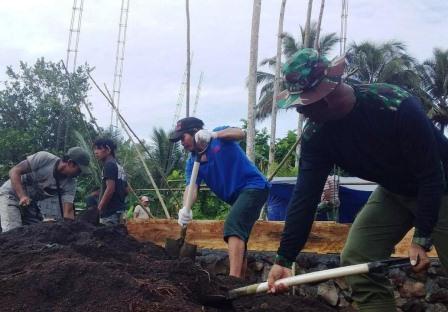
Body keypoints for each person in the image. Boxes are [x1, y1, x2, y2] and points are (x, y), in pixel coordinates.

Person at [266, 48, 448, 312]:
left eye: (303, 105)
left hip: (441, 188)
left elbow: (431, 174)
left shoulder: (395, 105)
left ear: (325, 98)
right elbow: (304, 197)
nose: (301, 113)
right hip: (393, 191)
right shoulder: (317, 136)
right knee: (358, 259)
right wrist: (284, 259)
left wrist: (421, 238)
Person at [170, 117, 270, 278]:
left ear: (195, 132)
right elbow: (191, 187)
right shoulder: (192, 162)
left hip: (254, 186)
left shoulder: (218, 138)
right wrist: (185, 208)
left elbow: (240, 133)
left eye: (183, 137)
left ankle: (233, 280)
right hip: (237, 198)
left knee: (232, 224)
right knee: (240, 236)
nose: (181, 142)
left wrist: (214, 135)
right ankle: (241, 282)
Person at [0, 147, 90, 232]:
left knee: (38, 232)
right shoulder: (45, 159)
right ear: (70, 163)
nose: (79, 174)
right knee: (13, 231)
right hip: (11, 194)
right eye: (79, 170)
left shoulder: (70, 184)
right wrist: (22, 196)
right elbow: (14, 171)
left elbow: (68, 212)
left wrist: (72, 230)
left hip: (30, 203)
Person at [93, 138, 128, 226]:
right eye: (95, 149)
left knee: (105, 238)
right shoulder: (119, 166)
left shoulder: (109, 165)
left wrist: (99, 208)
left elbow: (110, 188)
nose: (95, 152)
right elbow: (127, 190)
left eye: (99, 148)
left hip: (109, 213)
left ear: (108, 150)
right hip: (119, 211)